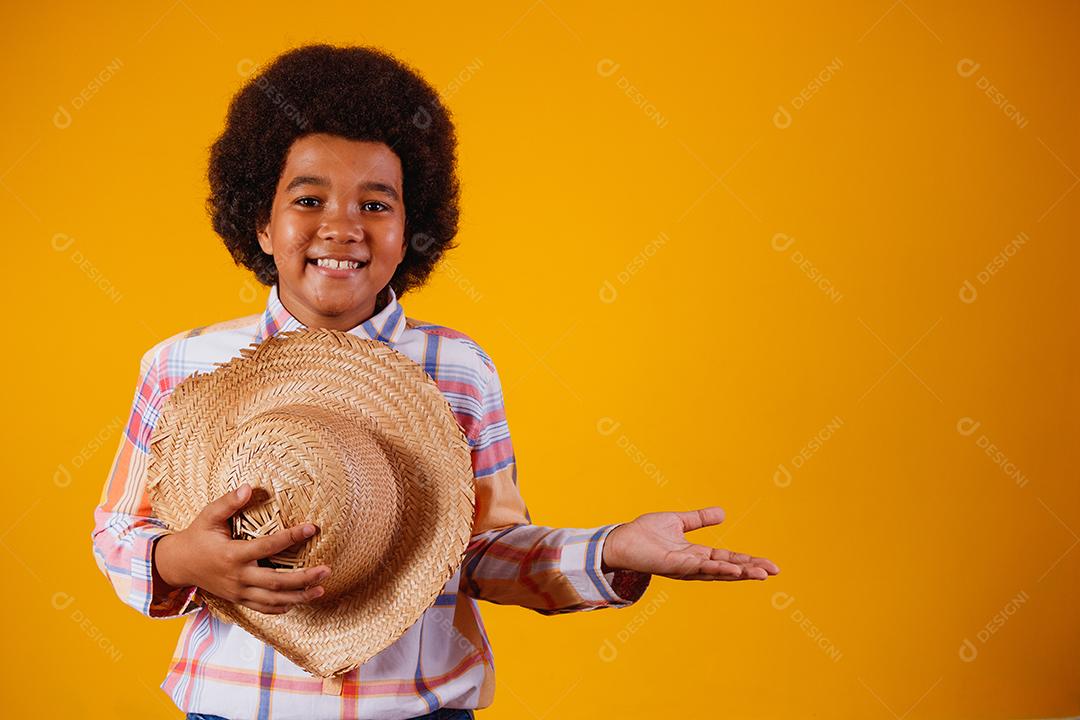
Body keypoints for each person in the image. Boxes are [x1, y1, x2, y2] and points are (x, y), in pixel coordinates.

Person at [90, 43, 780, 720]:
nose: (341, 227)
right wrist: (182, 559)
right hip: (235, 706)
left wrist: (610, 551)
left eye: (376, 205)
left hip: (416, 708)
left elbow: (481, 549)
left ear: (412, 226)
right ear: (261, 224)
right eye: (308, 199)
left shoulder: (456, 371)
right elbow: (118, 532)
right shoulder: (182, 368)